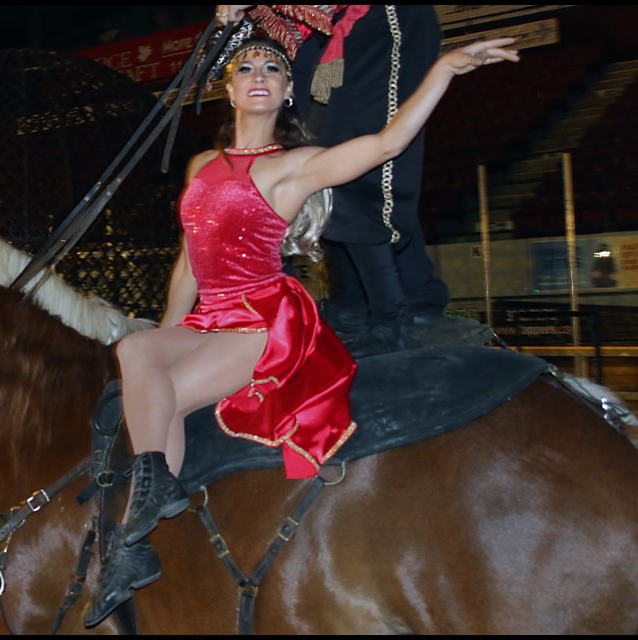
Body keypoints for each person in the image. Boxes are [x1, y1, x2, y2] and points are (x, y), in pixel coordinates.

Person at [83, 31, 519, 628]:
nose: (258, 74)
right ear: (229, 87)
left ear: (288, 91)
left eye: (273, 68)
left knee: (168, 400)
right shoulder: (202, 165)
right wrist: (164, 338)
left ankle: (135, 543)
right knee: (135, 351)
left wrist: (443, 67)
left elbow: (389, 141)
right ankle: (153, 506)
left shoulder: (295, 168)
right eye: (246, 67)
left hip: (261, 320)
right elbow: (189, 259)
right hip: (207, 316)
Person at [221, 5, 495, 357]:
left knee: (352, 155)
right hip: (317, 27)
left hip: (377, 16)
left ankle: (390, 318)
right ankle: (373, 297)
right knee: (312, 155)